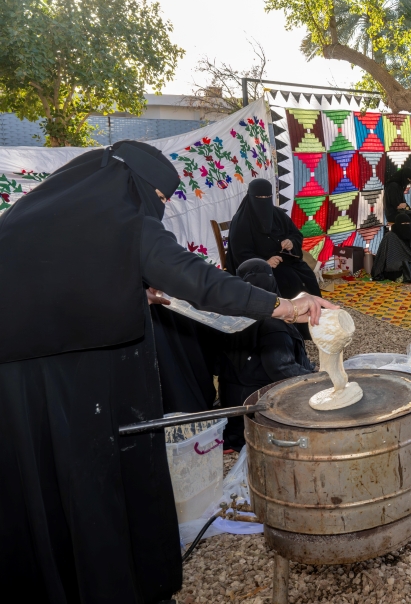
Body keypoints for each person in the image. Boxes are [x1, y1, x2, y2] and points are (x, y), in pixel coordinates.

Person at [0, 141, 334, 603]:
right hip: (81, 386)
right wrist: (281, 307)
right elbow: (199, 280)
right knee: (92, 485)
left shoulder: (36, 214)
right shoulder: (127, 222)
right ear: (133, 184)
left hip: (17, 386)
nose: (158, 209)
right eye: (158, 198)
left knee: (40, 488)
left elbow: (59, 291)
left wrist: (131, 292)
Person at [217, 259, 315, 450]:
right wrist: (315, 377)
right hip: (257, 406)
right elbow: (281, 368)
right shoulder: (273, 323)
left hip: (232, 404)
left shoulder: (230, 317)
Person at [228, 178, 322, 299]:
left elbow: (295, 234)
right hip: (258, 268)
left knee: (305, 273)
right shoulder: (241, 222)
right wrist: (264, 262)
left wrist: (291, 242)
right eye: (259, 198)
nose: (263, 201)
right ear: (250, 197)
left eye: (267, 197)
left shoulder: (277, 214)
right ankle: (291, 314)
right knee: (288, 279)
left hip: (284, 260)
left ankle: (315, 310)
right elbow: (240, 254)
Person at [371, 211, 411, 281]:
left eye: (408, 223)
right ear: (398, 224)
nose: (406, 225)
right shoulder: (390, 236)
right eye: (404, 223)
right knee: (396, 272)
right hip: (395, 267)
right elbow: (383, 255)